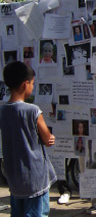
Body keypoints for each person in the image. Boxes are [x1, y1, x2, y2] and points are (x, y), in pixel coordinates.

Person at [0, 62, 56, 216]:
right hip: (35, 177)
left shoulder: (3, 111)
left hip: (14, 177)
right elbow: (47, 138)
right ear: (25, 84)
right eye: (32, 83)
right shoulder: (33, 111)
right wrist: (51, 138)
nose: (33, 87)